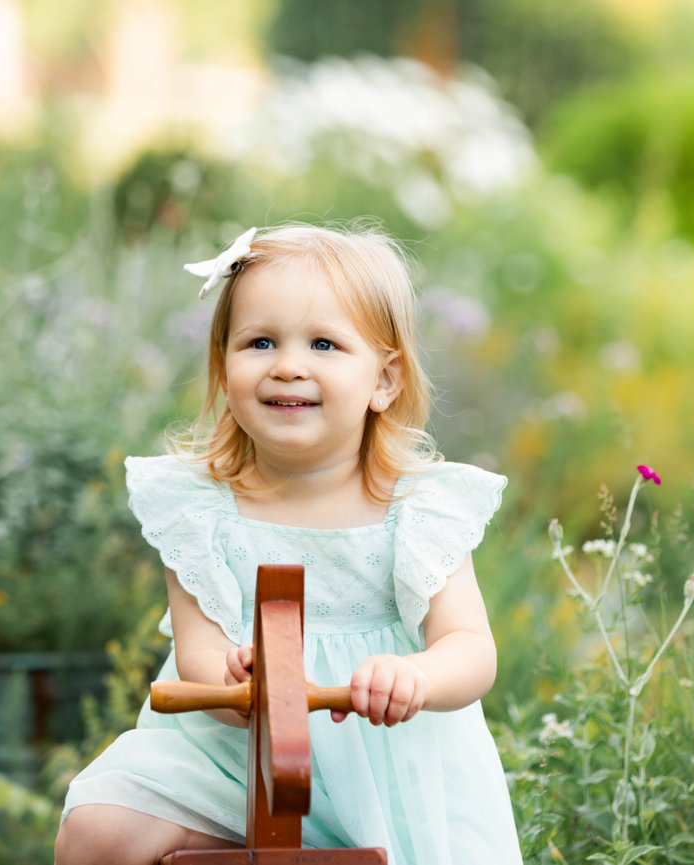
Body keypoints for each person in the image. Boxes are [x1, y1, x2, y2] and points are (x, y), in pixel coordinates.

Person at [55, 222, 522, 865]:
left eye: (324, 343)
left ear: (384, 380)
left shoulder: (416, 509)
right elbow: (199, 652)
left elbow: (470, 649)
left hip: (383, 763)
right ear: (223, 369)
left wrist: (412, 675)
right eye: (260, 342)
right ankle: (233, 838)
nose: (289, 366)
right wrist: (235, 678)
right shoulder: (199, 509)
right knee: (96, 832)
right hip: (229, 759)